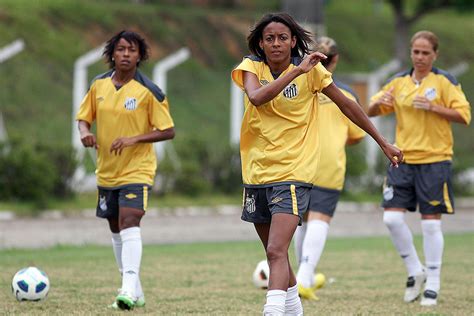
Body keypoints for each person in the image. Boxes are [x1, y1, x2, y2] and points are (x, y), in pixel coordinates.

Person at [231, 13, 402, 316]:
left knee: (276, 250)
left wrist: (383, 142)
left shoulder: (313, 71)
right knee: (276, 255)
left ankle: (272, 311)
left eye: (283, 37)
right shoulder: (251, 67)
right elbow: (257, 98)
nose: (276, 43)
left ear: (293, 40)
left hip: (294, 172)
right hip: (257, 172)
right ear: (260, 42)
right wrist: (296, 71)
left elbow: (348, 104)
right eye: (269, 38)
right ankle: (295, 308)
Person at [367, 30, 471, 306]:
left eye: (426, 53)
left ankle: (433, 283)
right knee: (391, 219)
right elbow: (370, 110)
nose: (421, 57)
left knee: (430, 224)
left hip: (435, 160)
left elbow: (464, 116)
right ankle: (415, 269)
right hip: (402, 159)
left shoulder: (445, 81)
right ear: (411, 52)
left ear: (435, 54)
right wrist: (379, 104)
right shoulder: (398, 82)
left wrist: (434, 107)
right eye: (416, 52)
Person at [76, 30, 175, 310]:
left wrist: (134, 139)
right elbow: (83, 119)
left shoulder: (150, 91)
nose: (126, 54)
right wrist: (85, 133)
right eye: (121, 49)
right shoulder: (98, 85)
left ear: (140, 55)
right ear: (112, 53)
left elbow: (168, 130)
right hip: (107, 170)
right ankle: (136, 290)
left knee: (130, 220)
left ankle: (127, 290)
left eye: (132, 50)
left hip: (137, 170)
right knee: (115, 227)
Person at [293, 36, 366, 301]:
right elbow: (356, 135)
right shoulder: (346, 93)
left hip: (299, 160)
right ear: (334, 60)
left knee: (300, 222)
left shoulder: (297, 85)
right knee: (320, 218)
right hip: (329, 163)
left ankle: (305, 278)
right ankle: (304, 277)